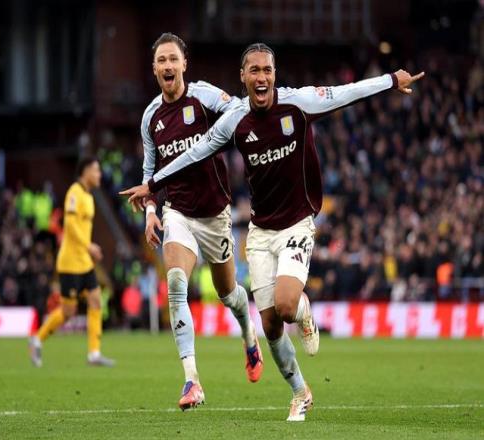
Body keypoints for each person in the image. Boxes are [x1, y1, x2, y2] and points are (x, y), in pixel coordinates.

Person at [120, 42, 425, 421]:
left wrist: (390, 80)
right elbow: (195, 153)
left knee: (282, 305)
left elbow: (345, 93)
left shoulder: (295, 104)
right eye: (254, 71)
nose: (261, 77)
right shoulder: (227, 120)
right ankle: (295, 391)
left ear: (274, 75)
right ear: (243, 78)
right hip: (253, 229)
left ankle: (302, 311)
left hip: (287, 221)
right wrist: (153, 188)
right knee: (264, 322)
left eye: (267, 70)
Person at [126, 33, 263, 411]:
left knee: (229, 294)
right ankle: (192, 380)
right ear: (154, 69)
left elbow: (239, 109)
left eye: (174, 59)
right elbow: (149, 173)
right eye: (162, 61)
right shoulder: (151, 117)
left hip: (215, 213)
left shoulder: (203, 96)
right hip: (178, 212)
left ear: (184, 64)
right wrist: (151, 212)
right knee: (175, 283)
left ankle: (249, 334)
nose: (168, 66)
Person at [29, 157, 114, 367]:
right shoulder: (74, 192)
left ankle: (94, 353)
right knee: (68, 312)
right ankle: (37, 339)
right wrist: (89, 246)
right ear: (85, 171)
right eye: (96, 170)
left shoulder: (89, 197)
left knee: (96, 300)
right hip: (69, 263)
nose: (99, 174)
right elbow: (70, 225)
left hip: (84, 262)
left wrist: (88, 249)